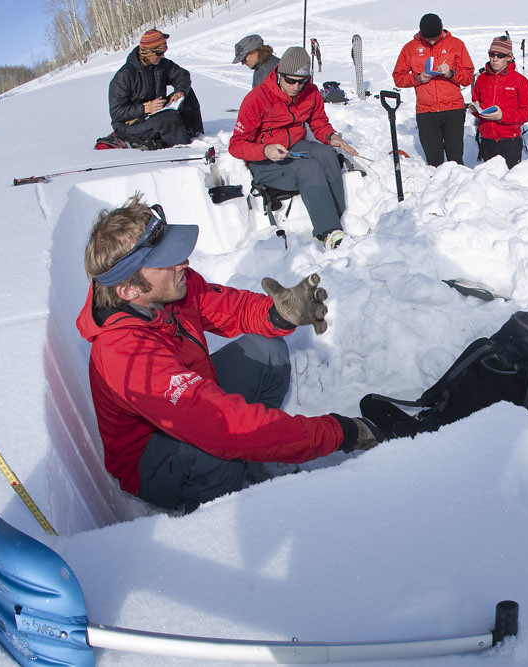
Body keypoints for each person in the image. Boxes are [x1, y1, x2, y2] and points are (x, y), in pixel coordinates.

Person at [76, 196, 378, 513]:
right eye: (168, 262)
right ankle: (219, 516)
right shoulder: (125, 354)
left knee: (268, 350)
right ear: (128, 291)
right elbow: (222, 426)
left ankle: (258, 453)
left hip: (191, 401)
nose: (184, 264)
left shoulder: (171, 288)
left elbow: (228, 308)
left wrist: (278, 315)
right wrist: (340, 432)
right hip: (152, 459)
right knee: (217, 453)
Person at [229, 47, 359, 250]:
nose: (296, 87)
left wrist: (330, 136)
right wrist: (265, 150)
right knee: (309, 168)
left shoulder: (311, 92)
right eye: (290, 80)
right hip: (264, 158)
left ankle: (339, 216)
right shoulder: (257, 99)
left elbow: (318, 122)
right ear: (279, 74)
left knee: (326, 154)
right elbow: (236, 145)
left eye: (302, 81)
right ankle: (329, 232)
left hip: (295, 145)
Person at [392, 13, 474, 166]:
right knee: (433, 160)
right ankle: (437, 188)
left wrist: (451, 74)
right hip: (426, 111)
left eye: (434, 38)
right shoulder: (410, 48)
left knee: (455, 158)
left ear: (441, 31)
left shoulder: (456, 45)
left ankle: (458, 187)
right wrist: (418, 78)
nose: (431, 41)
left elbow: (468, 77)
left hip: (453, 109)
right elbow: (398, 77)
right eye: (427, 38)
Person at [108, 29, 204, 149]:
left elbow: (182, 75)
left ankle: (195, 136)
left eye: (164, 51)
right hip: (131, 123)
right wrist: (146, 108)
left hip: (157, 112)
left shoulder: (161, 64)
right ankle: (182, 149)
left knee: (187, 94)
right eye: (159, 53)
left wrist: (179, 91)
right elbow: (116, 113)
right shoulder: (124, 76)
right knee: (168, 118)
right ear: (147, 52)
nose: (163, 55)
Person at [470, 36, 528, 169]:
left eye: (500, 55)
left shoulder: (519, 81)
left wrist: (502, 116)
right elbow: (477, 103)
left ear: (509, 57)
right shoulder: (481, 79)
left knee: (509, 182)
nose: (495, 59)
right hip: (487, 140)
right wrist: (476, 111)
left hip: (509, 141)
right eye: (492, 54)